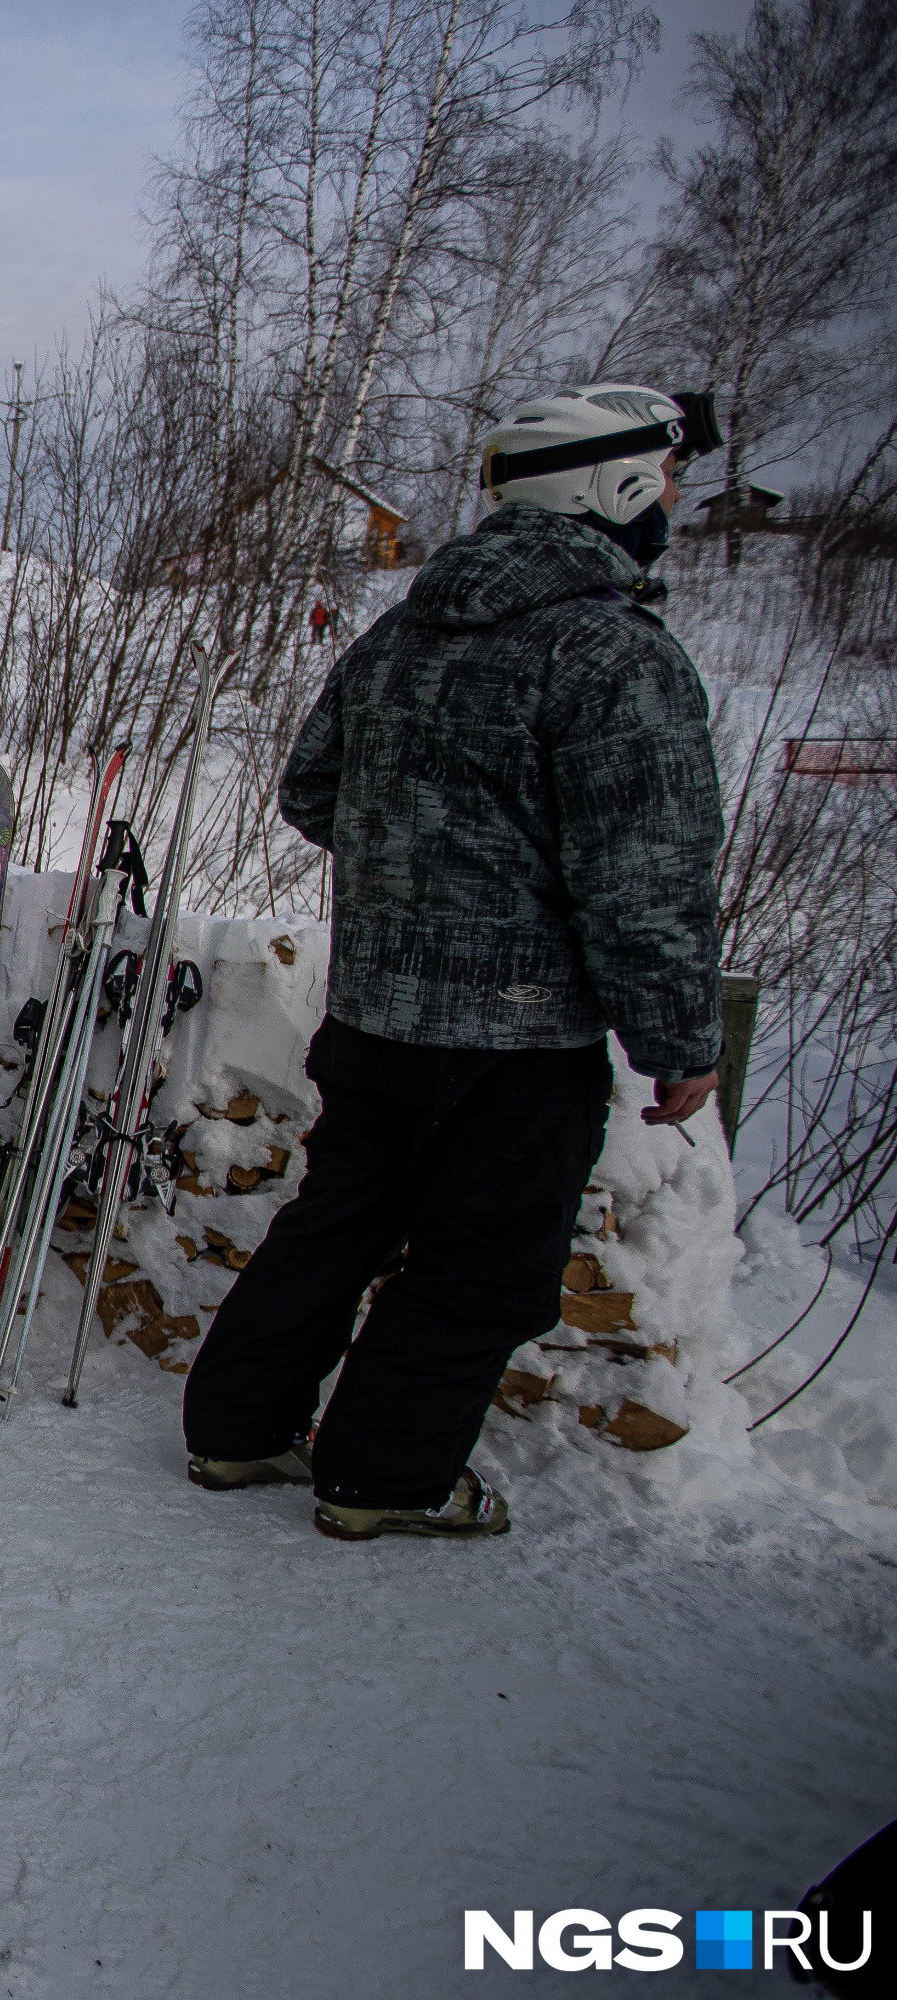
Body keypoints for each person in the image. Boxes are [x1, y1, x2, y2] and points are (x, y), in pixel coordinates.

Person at [179, 383, 728, 1541]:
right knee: (480, 1267)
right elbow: (644, 877)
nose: (674, 501)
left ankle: (238, 1429)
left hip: (378, 1013)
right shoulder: (611, 651)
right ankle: (382, 1476)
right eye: (667, 479)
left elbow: (311, 789)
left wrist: (420, 868)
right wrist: (678, 1035)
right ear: (615, 487)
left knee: (338, 1224)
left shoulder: (400, 636)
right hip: (519, 1040)